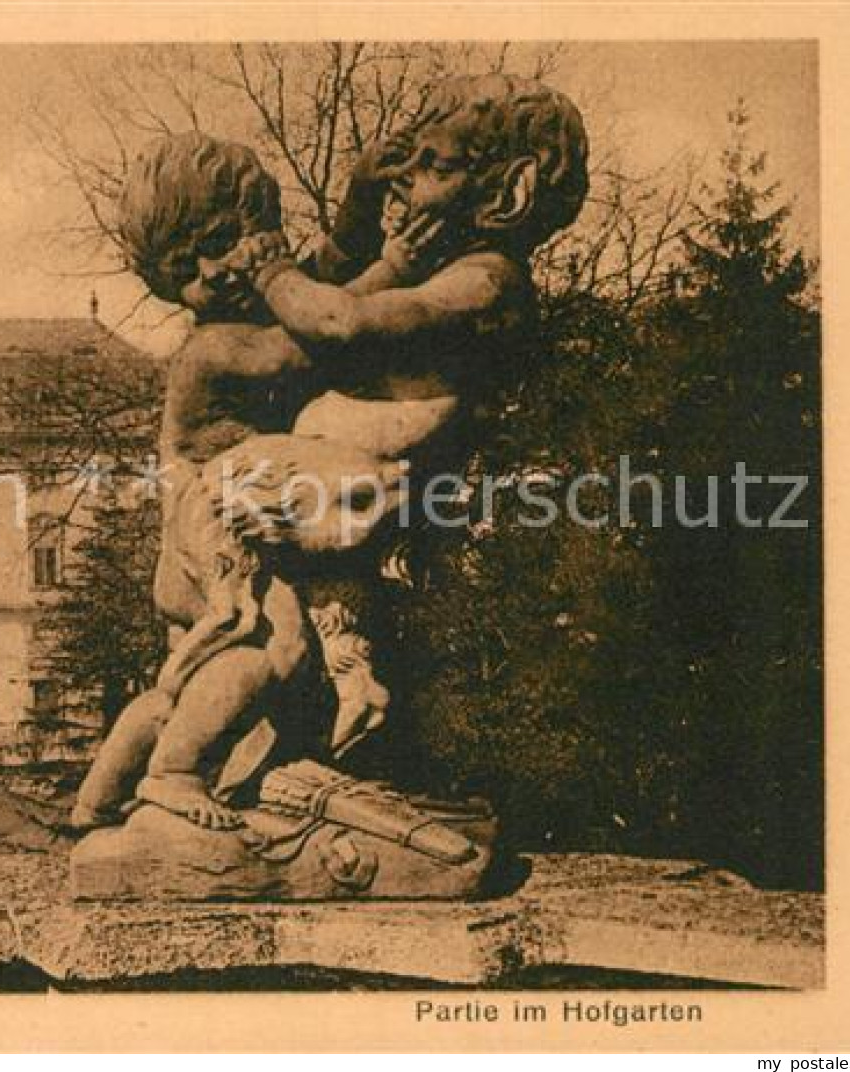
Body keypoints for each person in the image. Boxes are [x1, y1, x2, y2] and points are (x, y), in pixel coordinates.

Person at [70, 76, 589, 832]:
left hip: (270, 519)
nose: (409, 180)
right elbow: (328, 325)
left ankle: (100, 799)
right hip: (232, 524)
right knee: (271, 656)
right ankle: (171, 777)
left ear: (508, 193)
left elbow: (331, 293)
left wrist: (347, 226)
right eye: (200, 262)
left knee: (228, 672)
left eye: (431, 167)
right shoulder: (219, 347)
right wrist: (298, 265)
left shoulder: (484, 280)